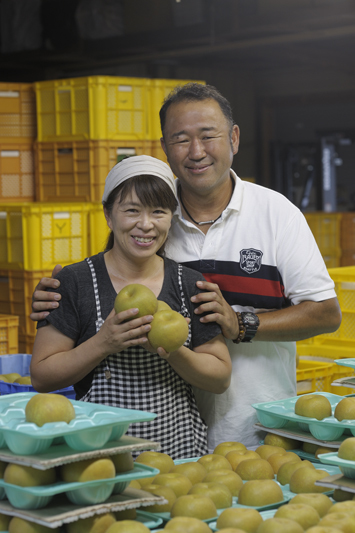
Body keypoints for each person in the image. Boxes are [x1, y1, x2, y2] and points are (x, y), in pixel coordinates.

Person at [31, 83, 342, 450]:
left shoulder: (277, 214)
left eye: (208, 136)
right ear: (164, 147)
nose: (196, 152)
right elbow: (102, 279)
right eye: (181, 139)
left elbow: (326, 314)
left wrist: (241, 324)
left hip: (254, 425)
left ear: (234, 138)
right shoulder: (153, 211)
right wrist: (60, 295)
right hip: (164, 435)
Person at [30, 155, 231, 460]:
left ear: (171, 217)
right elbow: (42, 376)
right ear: (109, 215)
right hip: (101, 458)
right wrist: (103, 343)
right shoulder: (75, 281)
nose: (146, 225)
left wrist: (172, 350)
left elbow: (219, 378)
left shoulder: (189, 284)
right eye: (132, 211)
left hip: (176, 456)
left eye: (158, 212)